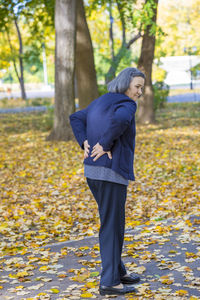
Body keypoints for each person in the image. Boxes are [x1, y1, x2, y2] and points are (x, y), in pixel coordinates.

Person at [69, 67, 145, 296]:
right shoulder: (127, 104)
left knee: (112, 222)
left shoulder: (100, 101)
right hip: (111, 173)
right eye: (137, 86)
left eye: (142, 87)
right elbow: (122, 120)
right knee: (112, 225)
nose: (139, 92)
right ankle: (109, 282)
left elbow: (75, 117)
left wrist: (84, 142)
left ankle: (118, 271)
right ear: (125, 84)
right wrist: (105, 144)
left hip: (92, 172)